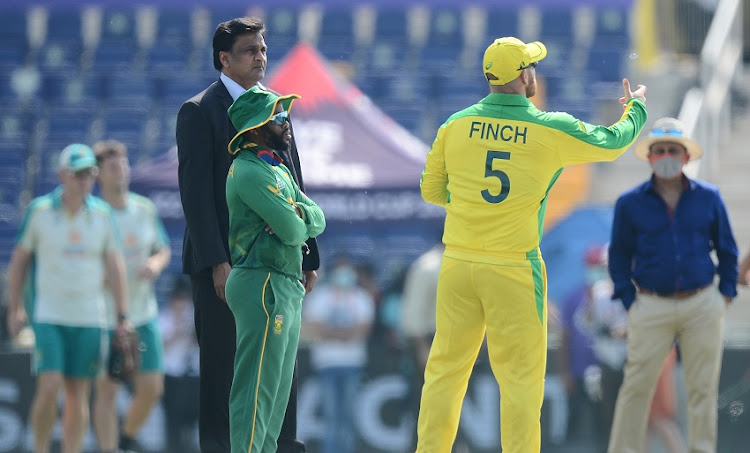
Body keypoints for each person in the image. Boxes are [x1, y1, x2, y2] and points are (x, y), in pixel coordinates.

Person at [416, 36, 648, 453]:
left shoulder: (454, 124)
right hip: (514, 268)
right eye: (533, 67)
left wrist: (472, 207)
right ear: (525, 75)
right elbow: (614, 143)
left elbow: (431, 190)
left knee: (445, 373)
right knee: (520, 380)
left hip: (459, 262)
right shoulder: (548, 127)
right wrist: (637, 109)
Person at [175, 16, 319, 453]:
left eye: (262, 49)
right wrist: (217, 261)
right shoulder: (199, 111)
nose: (260, 57)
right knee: (224, 374)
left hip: (278, 267)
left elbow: (294, 183)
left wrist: (307, 256)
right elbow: (196, 196)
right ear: (224, 58)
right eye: (250, 51)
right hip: (225, 267)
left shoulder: (274, 105)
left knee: (278, 373)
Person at [607, 117, 739, 453]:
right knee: (636, 386)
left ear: (686, 156)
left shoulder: (709, 197)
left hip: (701, 302)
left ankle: (702, 449)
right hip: (651, 303)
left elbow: (727, 249)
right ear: (650, 156)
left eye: (673, 149)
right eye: (660, 149)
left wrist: (724, 295)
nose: (666, 155)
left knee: (703, 388)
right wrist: (629, 300)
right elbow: (619, 257)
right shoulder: (629, 203)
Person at [5, 143, 129, 453]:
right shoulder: (40, 211)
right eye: (78, 174)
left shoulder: (102, 214)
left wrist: (122, 316)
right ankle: (41, 448)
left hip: (90, 317)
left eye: (90, 173)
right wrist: (15, 307)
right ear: (62, 175)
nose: (85, 180)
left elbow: (116, 267)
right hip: (49, 315)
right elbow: (19, 261)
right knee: (48, 389)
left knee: (77, 394)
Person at [224, 86, 326, 453]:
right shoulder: (250, 171)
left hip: (282, 282)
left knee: (276, 392)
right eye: (277, 117)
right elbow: (294, 229)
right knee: (256, 390)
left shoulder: (275, 167)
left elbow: (317, 217)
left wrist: (297, 213)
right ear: (253, 129)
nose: (286, 123)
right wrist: (298, 216)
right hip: (262, 281)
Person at [91, 140, 171, 453]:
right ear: (99, 175)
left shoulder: (144, 208)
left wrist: (155, 263)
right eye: (113, 167)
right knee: (107, 392)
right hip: (106, 317)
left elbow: (162, 248)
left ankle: (125, 440)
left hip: (144, 314)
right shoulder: (95, 214)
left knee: (152, 389)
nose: (120, 171)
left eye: (123, 164)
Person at [302, 257, 375, 453]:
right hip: (326, 364)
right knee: (331, 415)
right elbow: (314, 329)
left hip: (353, 364)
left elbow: (363, 330)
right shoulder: (320, 297)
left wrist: (331, 332)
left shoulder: (361, 297)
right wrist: (345, 334)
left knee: (349, 415)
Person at [160, 277, 201, 453]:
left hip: (193, 377)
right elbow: (159, 347)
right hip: (172, 377)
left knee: (194, 422)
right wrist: (177, 330)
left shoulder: (195, 315)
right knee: (173, 422)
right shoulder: (164, 318)